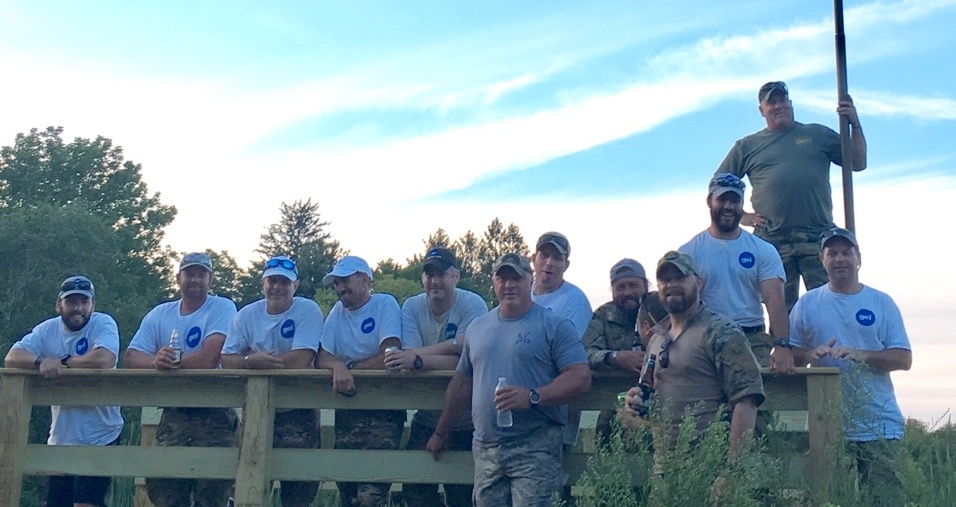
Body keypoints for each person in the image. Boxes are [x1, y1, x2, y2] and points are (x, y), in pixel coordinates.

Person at [426, 253, 591, 507]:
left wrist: (533, 396)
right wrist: (441, 430)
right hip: (485, 447)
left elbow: (580, 378)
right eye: (502, 278)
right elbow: (461, 384)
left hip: (535, 445)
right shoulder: (478, 328)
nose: (509, 285)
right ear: (493, 281)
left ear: (530, 279)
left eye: (516, 277)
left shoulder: (554, 325)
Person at [715, 80, 867, 310]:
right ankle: (786, 346)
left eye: (782, 100)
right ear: (762, 110)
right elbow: (719, 185)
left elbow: (857, 162)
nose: (778, 106)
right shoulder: (747, 146)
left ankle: (833, 347)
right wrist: (742, 217)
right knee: (782, 310)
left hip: (817, 237)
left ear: (790, 103)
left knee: (830, 304)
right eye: (771, 102)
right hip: (773, 241)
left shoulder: (816, 134)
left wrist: (854, 124)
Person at [790, 228, 911, 506]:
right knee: (827, 500)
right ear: (822, 259)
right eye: (832, 253)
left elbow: (903, 359)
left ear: (858, 258)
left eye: (846, 252)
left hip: (879, 426)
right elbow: (789, 356)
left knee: (886, 501)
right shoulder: (807, 304)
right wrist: (811, 353)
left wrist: (860, 355)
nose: (840, 259)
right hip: (826, 427)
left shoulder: (881, 302)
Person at [622, 252, 764, 462]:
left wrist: (734, 470)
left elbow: (747, 400)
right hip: (663, 466)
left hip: (709, 463)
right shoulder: (656, 339)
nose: (672, 285)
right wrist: (635, 402)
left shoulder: (721, 331)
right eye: (665, 280)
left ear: (698, 282)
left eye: (680, 278)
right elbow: (649, 392)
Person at [124, 252, 238, 507]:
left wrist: (171, 361)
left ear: (210, 279)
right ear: (178, 278)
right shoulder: (160, 313)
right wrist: (155, 361)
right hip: (174, 413)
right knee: (164, 489)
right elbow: (131, 356)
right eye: (189, 273)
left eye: (201, 274)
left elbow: (210, 357)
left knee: (213, 495)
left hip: (215, 412)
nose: (195, 280)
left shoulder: (222, 307)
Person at [4, 276, 124, 507]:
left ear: (92, 305)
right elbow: (12, 358)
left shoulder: (103, 323)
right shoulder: (47, 330)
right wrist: (40, 361)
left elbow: (104, 359)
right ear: (59, 305)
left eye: (83, 301)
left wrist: (63, 362)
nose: (78, 308)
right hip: (61, 436)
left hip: (100, 433)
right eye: (71, 302)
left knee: (85, 504)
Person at [384, 247, 488, 507]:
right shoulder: (412, 305)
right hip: (426, 418)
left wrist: (419, 359)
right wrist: (452, 347)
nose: (434, 281)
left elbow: (468, 359)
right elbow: (410, 357)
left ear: (456, 276)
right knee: (416, 489)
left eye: (441, 274)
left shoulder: (473, 303)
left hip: (468, 421)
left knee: (465, 497)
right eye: (428, 274)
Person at [220, 256, 324, 507]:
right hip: (256, 410)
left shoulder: (307, 309)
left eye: (284, 282)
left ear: (295, 286)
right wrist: (248, 361)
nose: (277, 287)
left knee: (298, 491)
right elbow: (226, 358)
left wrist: (259, 363)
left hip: (299, 411)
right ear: (263, 283)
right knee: (248, 485)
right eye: (272, 281)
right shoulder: (247, 314)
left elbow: (303, 357)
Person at [678, 173, 794, 372]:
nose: (729, 206)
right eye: (722, 199)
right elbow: (681, 304)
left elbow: (775, 301)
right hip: (706, 337)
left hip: (752, 338)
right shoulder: (689, 252)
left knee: (758, 398)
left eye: (735, 200)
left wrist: (782, 346)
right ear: (709, 201)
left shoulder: (763, 250)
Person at [314, 255, 404, 507]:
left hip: (383, 414)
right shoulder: (337, 312)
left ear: (364, 280)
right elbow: (322, 356)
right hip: (348, 412)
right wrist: (337, 366)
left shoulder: (385, 304)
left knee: (371, 496)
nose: (340, 288)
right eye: (336, 284)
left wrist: (350, 368)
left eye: (345, 281)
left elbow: (391, 353)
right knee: (348, 493)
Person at [582, 258, 648, 444]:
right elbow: (585, 353)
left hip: (658, 402)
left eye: (633, 285)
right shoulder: (603, 315)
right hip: (610, 404)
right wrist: (615, 358)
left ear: (645, 285)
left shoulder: (659, 309)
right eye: (620, 287)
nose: (627, 292)